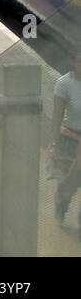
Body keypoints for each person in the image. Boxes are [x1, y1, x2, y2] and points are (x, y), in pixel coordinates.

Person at [50, 49, 81, 224]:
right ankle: (61, 204)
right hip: (70, 140)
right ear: (73, 62)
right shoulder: (64, 83)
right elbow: (57, 116)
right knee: (70, 183)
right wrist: (54, 143)